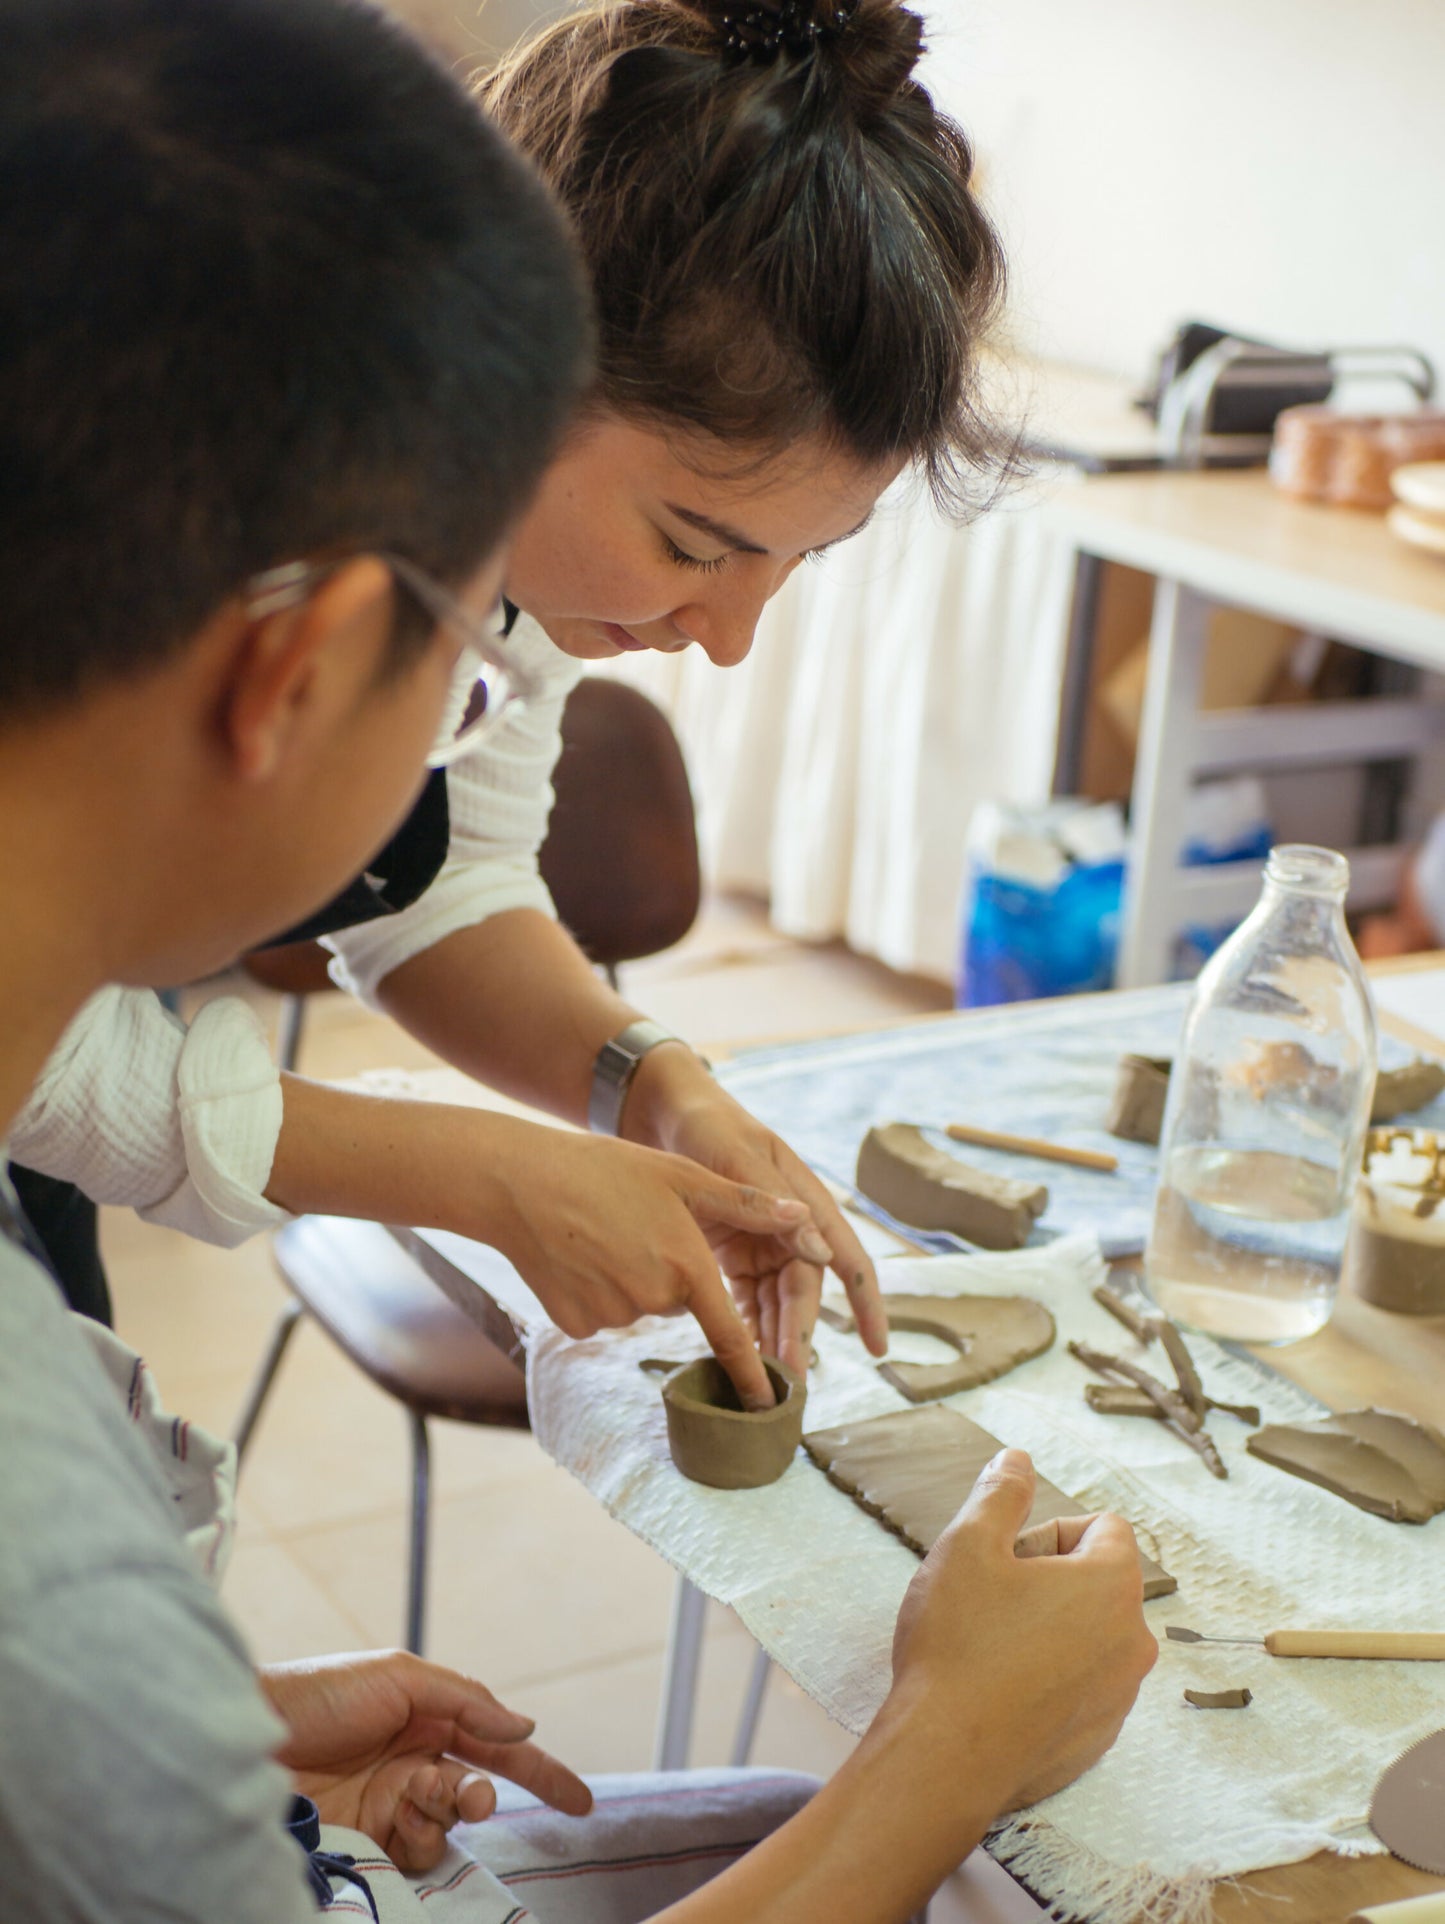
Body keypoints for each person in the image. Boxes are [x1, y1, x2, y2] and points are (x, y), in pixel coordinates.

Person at [0, 1, 1159, 1917]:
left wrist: (199, 1740)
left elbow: (432, 885)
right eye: (456, 669)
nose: (726, 642)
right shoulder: (40, 1536)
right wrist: (946, 1757)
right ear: (296, 670)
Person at [10, 0, 1012, 1408]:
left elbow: (435, 884)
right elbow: (31, 990)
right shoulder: (177, 534)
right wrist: (477, 1173)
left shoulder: (486, 559)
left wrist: (654, 1085)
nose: (729, 640)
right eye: (694, 547)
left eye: (802, 562)